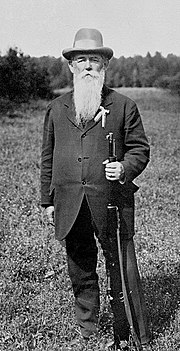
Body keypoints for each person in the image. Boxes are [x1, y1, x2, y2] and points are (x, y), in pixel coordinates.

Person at [41, 28, 151, 350]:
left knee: (120, 265)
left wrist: (124, 167)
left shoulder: (123, 105)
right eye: (81, 60)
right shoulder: (56, 108)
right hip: (70, 200)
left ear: (104, 66)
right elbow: (47, 156)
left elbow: (139, 149)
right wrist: (47, 201)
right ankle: (88, 327)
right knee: (80, 265)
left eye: (94, 60)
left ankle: (128, 329)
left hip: (111, 201)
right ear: (71, 67)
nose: (88, 66)